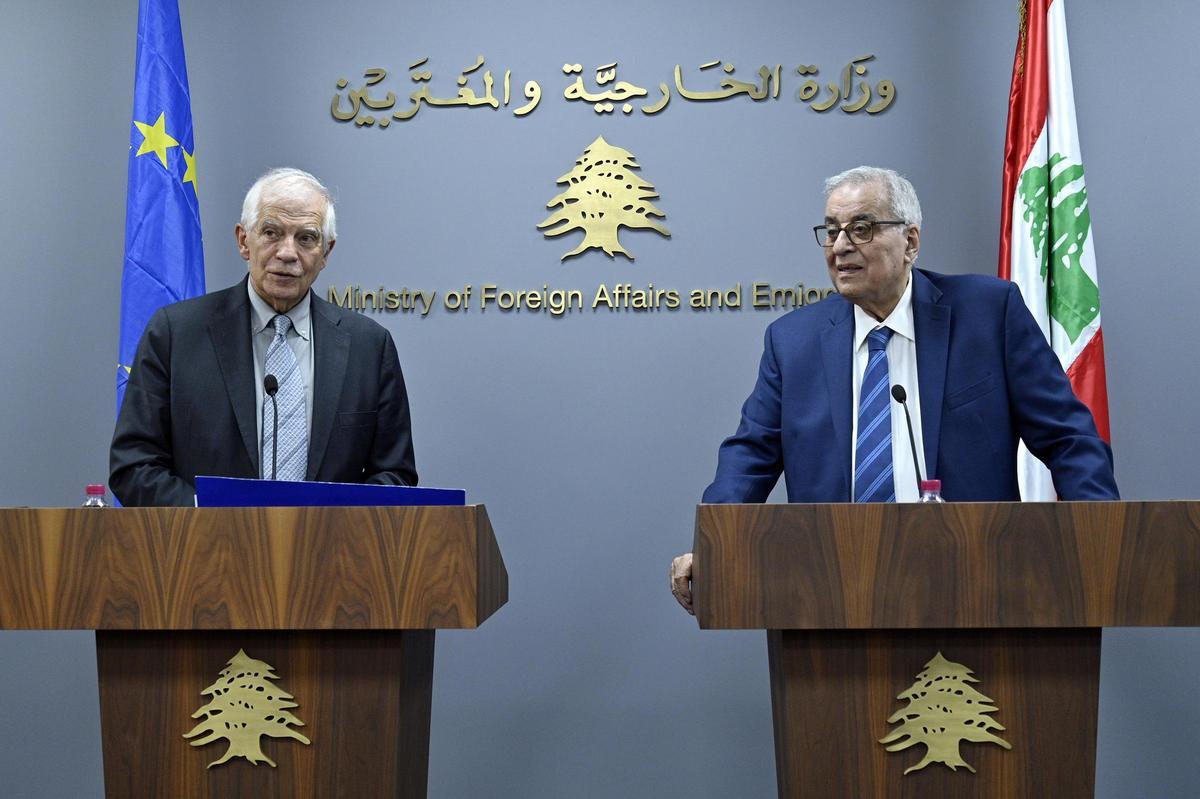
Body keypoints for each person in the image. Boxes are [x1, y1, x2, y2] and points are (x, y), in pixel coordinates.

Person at [670, 166, 1118, 613]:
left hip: (977, 582)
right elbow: (750, 455)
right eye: (831, 231)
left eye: (861, 228)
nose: (840, 246)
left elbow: (1068, 436)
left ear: (910, 241)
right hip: (832, 591)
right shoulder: (792, 342)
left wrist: (1101, 534)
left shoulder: (988, 314)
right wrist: (713, 546)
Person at [111, 167, 416, 506]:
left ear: (326, 252)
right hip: (205, 538)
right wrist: (209, 518)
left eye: (306, 238)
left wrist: (334, 525)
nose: (287, 253)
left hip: (329, 540)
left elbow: (395, 474)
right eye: (271, 233)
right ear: (244, 241)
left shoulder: (369, 347)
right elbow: (134, 464)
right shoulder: (175, 334)